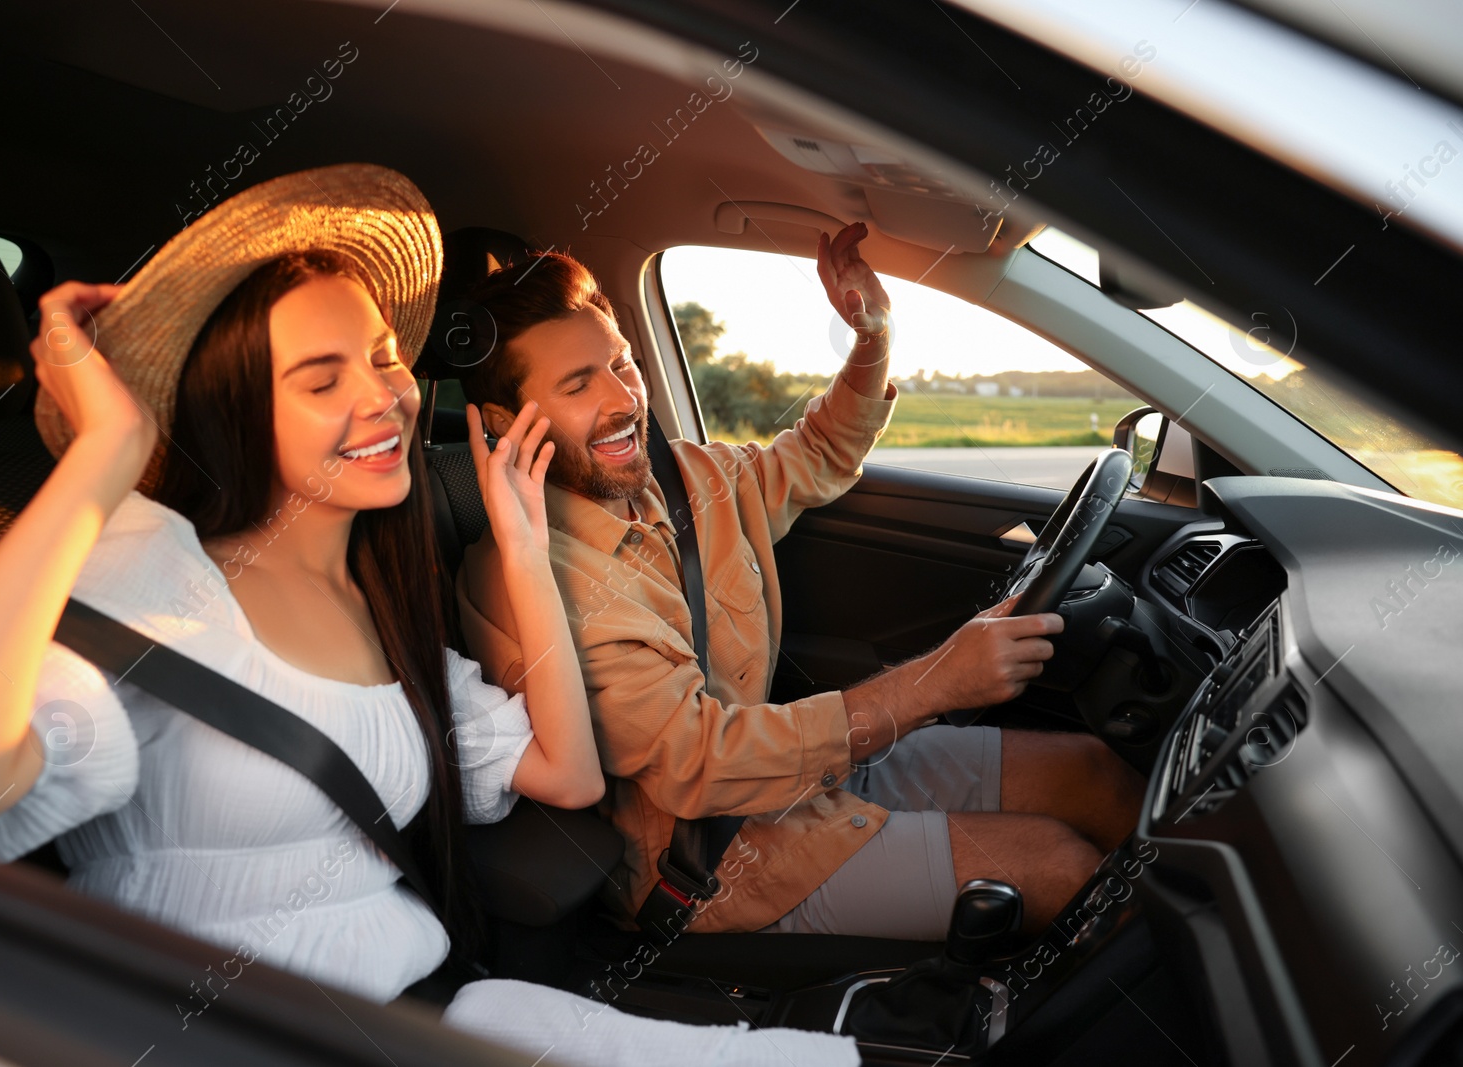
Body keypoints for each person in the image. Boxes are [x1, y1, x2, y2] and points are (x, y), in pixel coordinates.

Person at [0, 165, 857, 1067]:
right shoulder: (148, 572)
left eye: (383, 358)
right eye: (320, 377)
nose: (384, 399)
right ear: (238, 409)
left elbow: (568, 770)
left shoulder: (383, 597)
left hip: (437, 1010)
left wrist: (523, 554)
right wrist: (103, 454)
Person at [454, 227, 1145, 945]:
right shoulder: (534, 580)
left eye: (622, 363)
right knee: (1063, 867)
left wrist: (873, 339)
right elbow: (704, 765)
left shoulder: (686, 478)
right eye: (577, 384)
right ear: (507, 425)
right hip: (710, 862)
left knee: (1095, 773)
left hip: (801, 774)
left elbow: (816, 454)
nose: (624, 398)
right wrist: (935, 683)